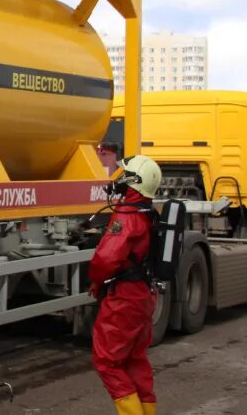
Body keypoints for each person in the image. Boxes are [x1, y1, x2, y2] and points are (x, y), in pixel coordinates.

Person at [88, 155, 162, 415]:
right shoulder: (148, 213)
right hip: (143, 294)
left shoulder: (127, 216)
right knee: (134, 359)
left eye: (124, 174)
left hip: (125, 298)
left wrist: (96, 281)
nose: (118, 179)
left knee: (107, 361)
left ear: (134, 182)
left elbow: (106, 258)